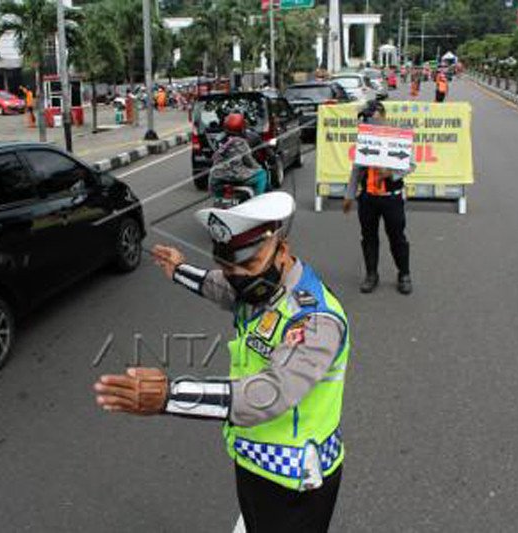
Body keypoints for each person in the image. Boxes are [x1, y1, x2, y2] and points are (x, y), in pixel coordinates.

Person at [94, 192, 350, 533]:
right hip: (252, 458)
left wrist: (171, 396)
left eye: (248, 264)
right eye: (230, 267)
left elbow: (269, 393)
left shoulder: (314, 320)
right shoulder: (259, 288)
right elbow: (220, 287)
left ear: (282, 251)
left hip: (296, 478)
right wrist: (179, 269)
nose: (238, 277)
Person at [343, 101, 414, 295]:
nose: (367, 121)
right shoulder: (364, 138)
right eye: (365, 118)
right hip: (368, 198)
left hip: (392, 198)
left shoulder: (398, 136)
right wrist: (349, 195)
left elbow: (411, 164)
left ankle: (404, 274)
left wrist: (390, 173)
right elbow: (357, 169)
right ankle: (371, 275)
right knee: (368, 237)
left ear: (381, 114)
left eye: (370, 116)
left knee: (397, 237)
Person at [209, 113, 269, 196]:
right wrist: (258, 168)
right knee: (262, 174)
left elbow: (215, 157)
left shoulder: (218, 139)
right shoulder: (241, 141)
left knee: (218, 191)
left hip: (215, 177)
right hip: (236, 176)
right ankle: (257, 200)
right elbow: (249, 161)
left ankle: (218, 200)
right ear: (241, 127)